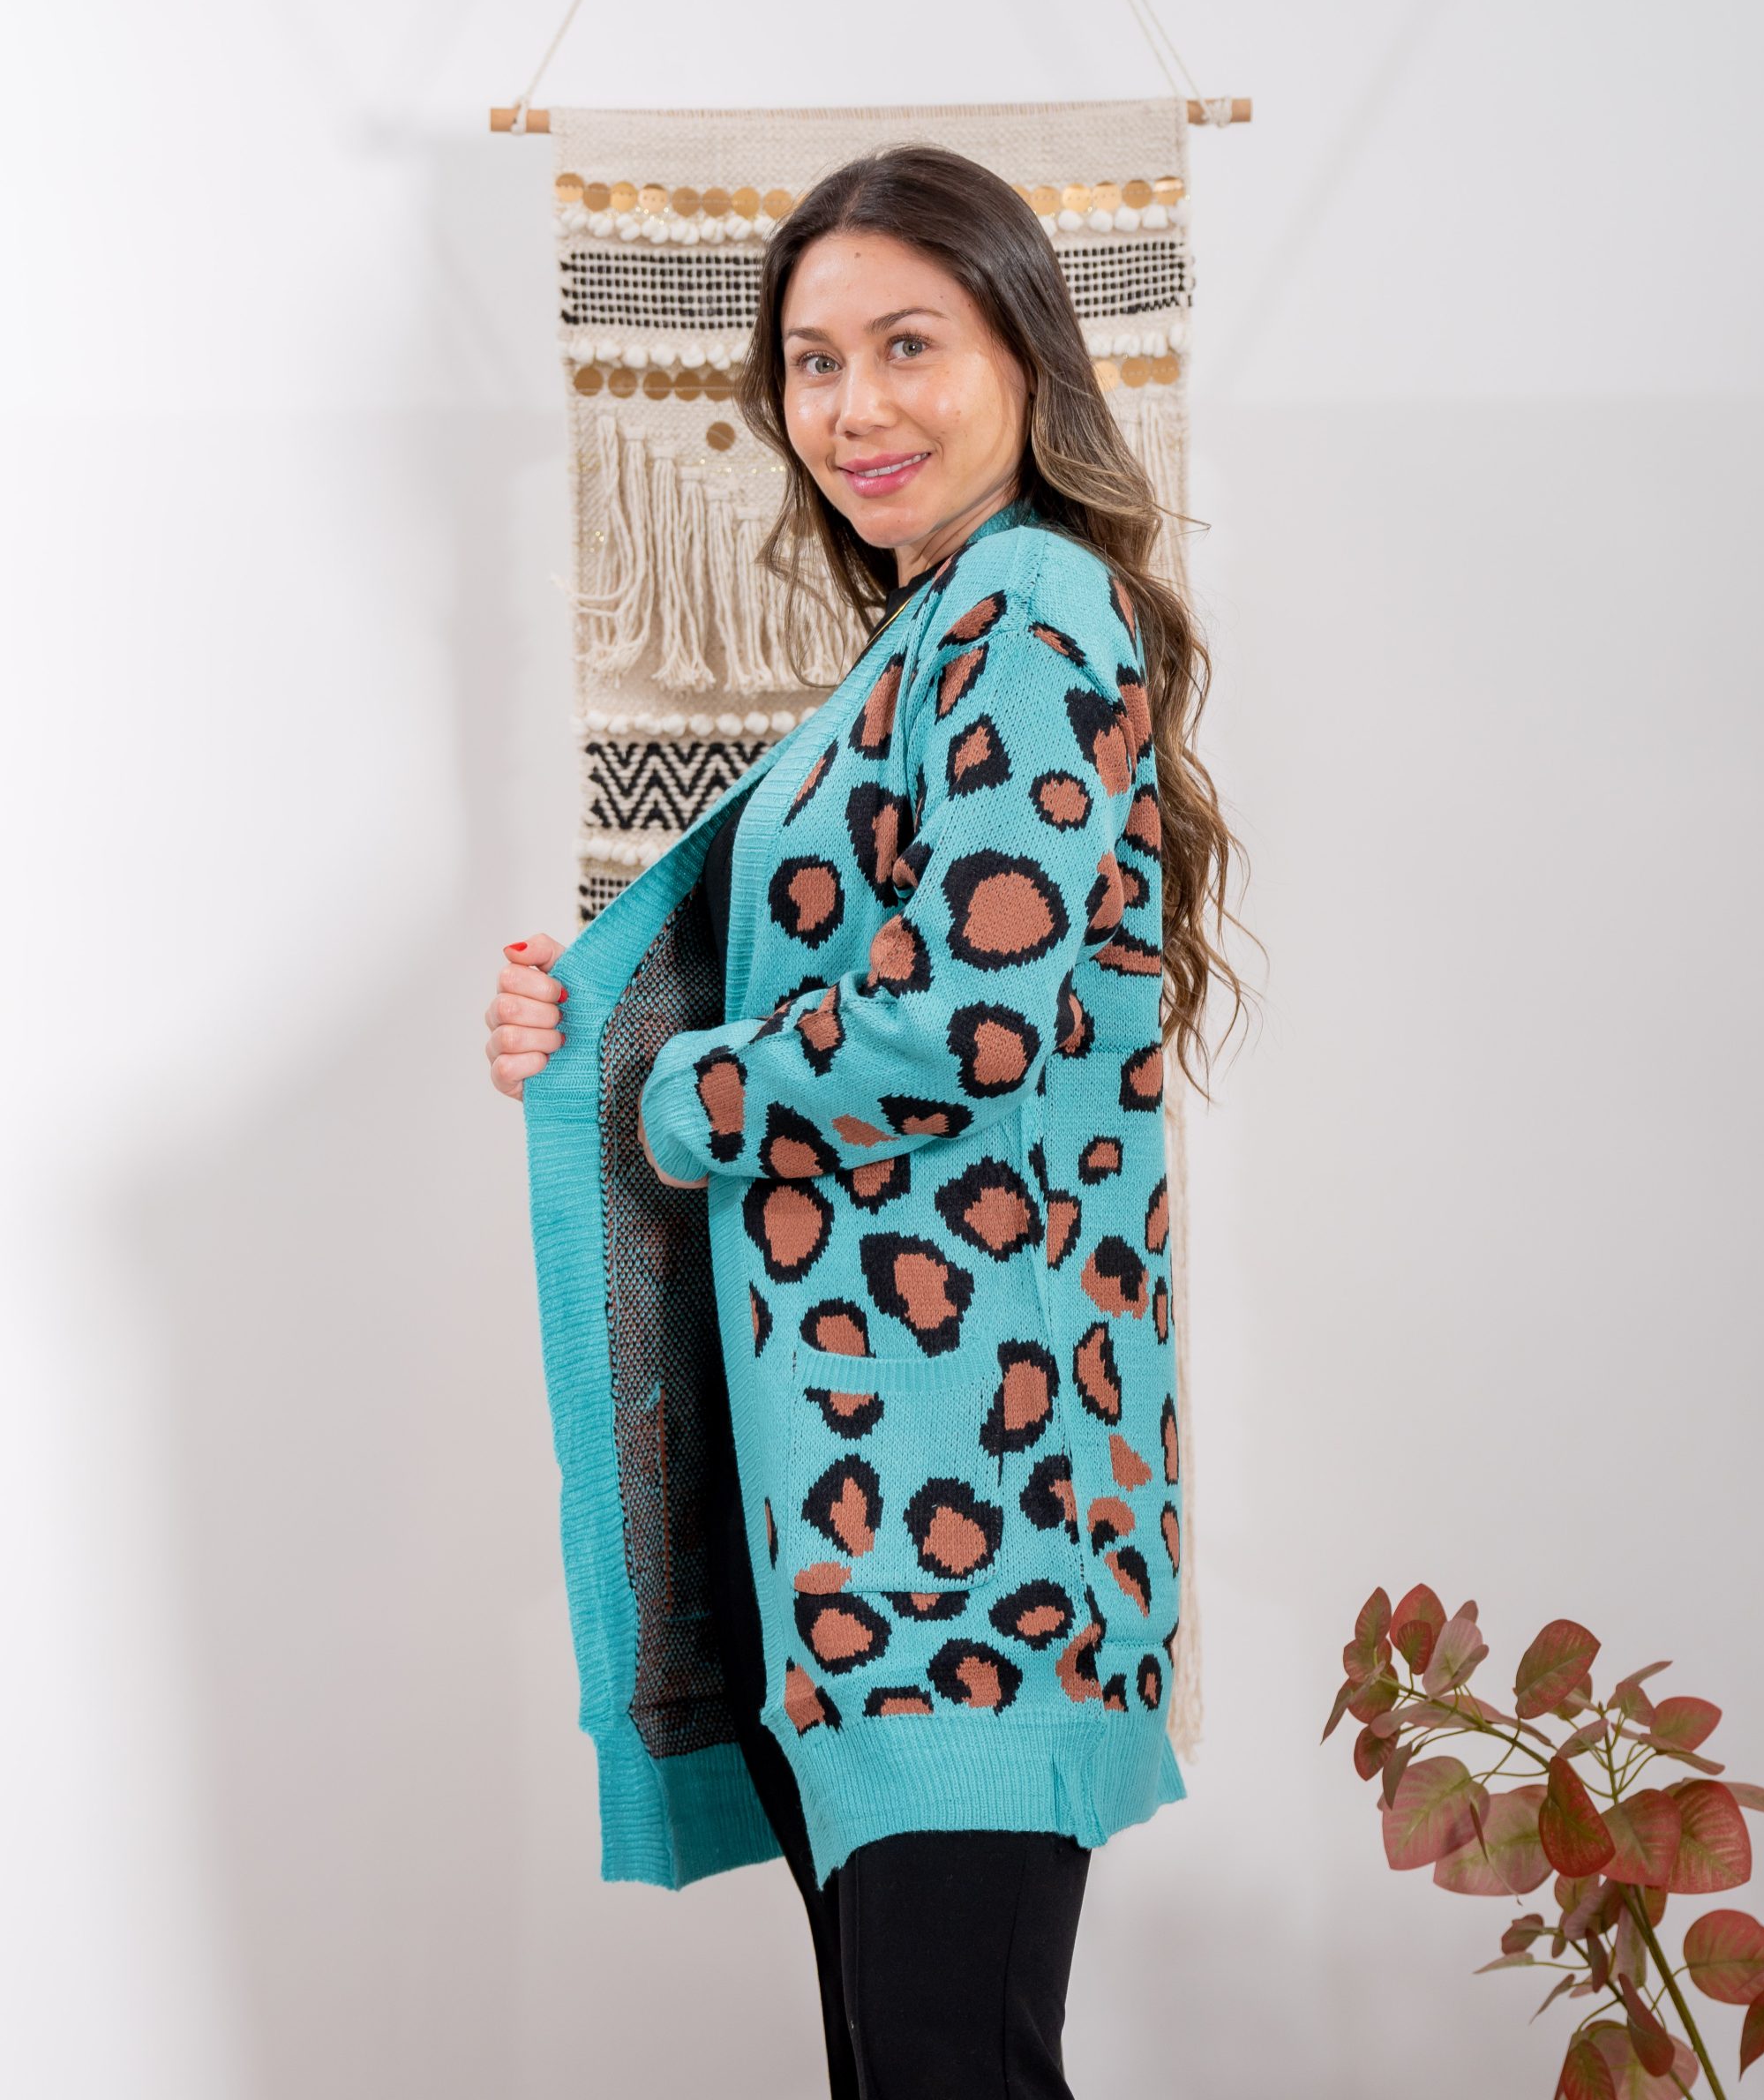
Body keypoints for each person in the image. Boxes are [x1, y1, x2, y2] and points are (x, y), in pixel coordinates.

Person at [484, 145, 1250, 2098]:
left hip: (972, 1530)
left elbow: (966, 1024)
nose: (854, 406)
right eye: (814, 362)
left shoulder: (1027, 603)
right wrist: (590, 1022)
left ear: (1024, 354)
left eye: (909, 343)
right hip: (863, 1528)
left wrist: (664, 1088)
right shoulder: (922, 641)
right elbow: (802, 980)